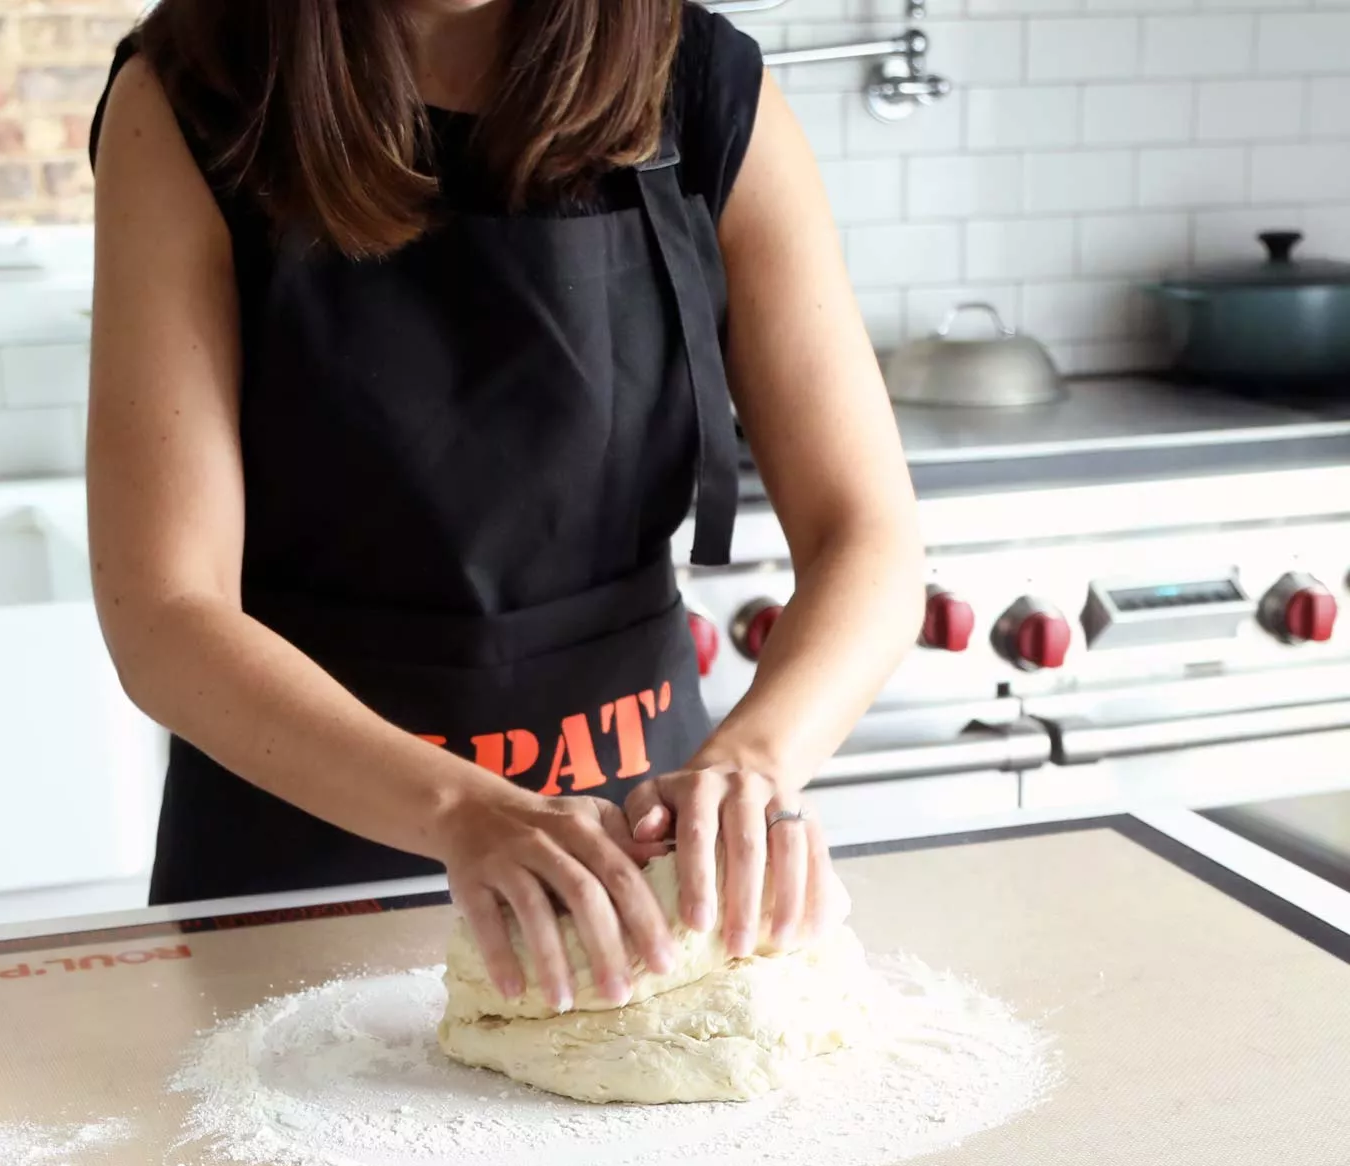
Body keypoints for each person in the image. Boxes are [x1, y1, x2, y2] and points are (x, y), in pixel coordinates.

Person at [86, 0, 923, 1013]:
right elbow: (165, 611)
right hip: (299, 861)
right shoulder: (194, 95)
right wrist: (459, 812)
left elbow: (867, 536)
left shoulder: (697, 81)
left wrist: (753, 763)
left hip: (635, 845)